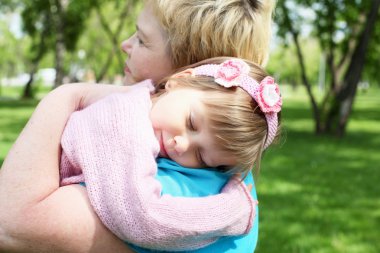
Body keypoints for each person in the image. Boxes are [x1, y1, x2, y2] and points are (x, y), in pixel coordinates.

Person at [0, 0, 276, 252]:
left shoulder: (172, 182)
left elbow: (9, 224)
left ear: (183, 70)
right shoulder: (212, 163)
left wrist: (67, 95)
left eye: (143, 40)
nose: (125, 44)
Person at [58, 57, 282, 251]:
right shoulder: (124, 121)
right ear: (178, 81)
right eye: (191, 123)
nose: (181, 145)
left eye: (202, 157)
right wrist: (234, 210)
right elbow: (144, 219)